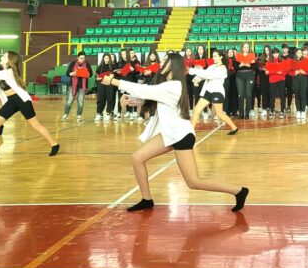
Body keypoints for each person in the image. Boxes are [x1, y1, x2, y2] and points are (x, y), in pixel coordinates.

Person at [101, 53, 248, 212]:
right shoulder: (168, 85)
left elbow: (144, 89)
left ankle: (239, 191)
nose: (162, 63)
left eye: (165, 61)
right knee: (137, 157)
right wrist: (131, 100)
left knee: (193, 182)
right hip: (169, 134)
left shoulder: (174, 85)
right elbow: (151, 97)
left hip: (181, 136)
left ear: (173, 66)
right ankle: (146, 199)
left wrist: (114, 81)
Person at [189, 49, 239, 134]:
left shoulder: (223, 68)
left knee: (219, 114)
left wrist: (193, 71)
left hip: (217, 93)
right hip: (208, 92)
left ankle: (234, 127)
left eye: (215, 56)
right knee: (196, 110)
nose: (213, 58)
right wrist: (196, 79)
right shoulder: (212, 66)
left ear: (221, 57)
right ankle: (190, 132)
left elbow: (210, 75)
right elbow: (204, 74)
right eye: (213, 56)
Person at [62, 51, 93, 122]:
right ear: (77, 58)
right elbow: (67, 73)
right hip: (72, 85)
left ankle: (79, 115)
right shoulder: (73, 63)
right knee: (69, 100)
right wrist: (72, 73)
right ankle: (65, 114)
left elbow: (91, 74)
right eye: (81, 58)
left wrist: (88, 74)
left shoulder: (87, 64)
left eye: (83, 58)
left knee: (81, 101)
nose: (82, 59)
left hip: (82, 85)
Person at [265, 48, 290, 118]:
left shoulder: (282, 61)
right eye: (274, 53)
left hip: (281, 79)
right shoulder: (269, 61)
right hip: (272, 80)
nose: (275, 55)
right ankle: (272, 111)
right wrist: (267, 72)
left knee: (282, 96)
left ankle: (282, 111)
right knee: (272, 96)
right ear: (272, 54)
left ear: (279, 53)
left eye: (276, 53)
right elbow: (267, 72)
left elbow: (285, 71)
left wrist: (281, 73)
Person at [235, 43, 257, 120]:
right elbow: (235, 67)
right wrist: (239, 66)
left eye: (247, 47)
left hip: (250, 75)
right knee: (240, 94)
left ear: (249, 48)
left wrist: (250, 65)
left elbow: (256, 67)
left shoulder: (252, 56)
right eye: (244, 47)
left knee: (248, 94)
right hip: (240, 75)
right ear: (242, 48)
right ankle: (241, 112)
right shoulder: (238, 56)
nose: (246, 48)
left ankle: (247, 112)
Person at [95, 53, 116, 122]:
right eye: (105, 58)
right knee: (100, 99)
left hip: (109, 85)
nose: (106, 60)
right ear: (103, 59)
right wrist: (97, 78)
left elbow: (114, 75)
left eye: (107, 58)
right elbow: (97, 76)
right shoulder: (100, 66)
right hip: (101, 84)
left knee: (109, 99)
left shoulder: (112, 66)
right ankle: (99, 113)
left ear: (109, 59)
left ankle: (108, 113)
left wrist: (111, 76)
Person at [291, 47, 308, 116]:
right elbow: (289, 72)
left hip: (303, 78)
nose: (300, 54)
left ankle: (302, 111)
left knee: (303, 94)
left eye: (301, 53)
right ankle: (298, 111)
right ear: (296, 53)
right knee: (297, 95)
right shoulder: (292, 61)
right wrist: (295, 72)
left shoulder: (306, 60)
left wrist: (304, 72)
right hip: (295, 78)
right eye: (298, 53)